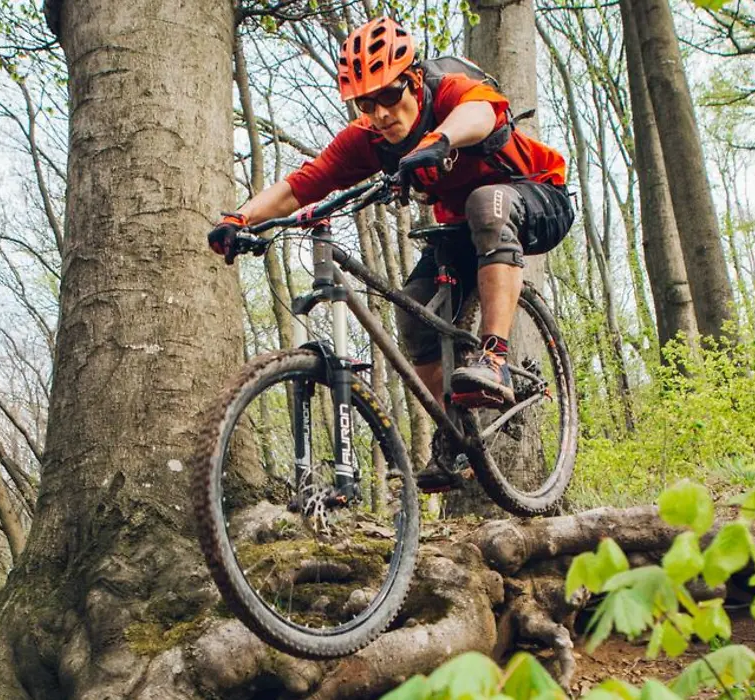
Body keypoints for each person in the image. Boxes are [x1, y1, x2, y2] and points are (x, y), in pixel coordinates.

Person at [206, 17, 573, 488]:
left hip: (537, 195)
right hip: (463, 227)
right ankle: (456, 431)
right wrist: (240, 218)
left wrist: (437, 140)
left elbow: (480, 115)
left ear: (414, 81)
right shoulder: (368, 139)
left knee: (486, 203)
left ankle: (495, 354)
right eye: (365, 102)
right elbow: (302, 185)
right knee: (414, 307)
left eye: (389, 95)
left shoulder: (449, 94)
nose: (380, 113)